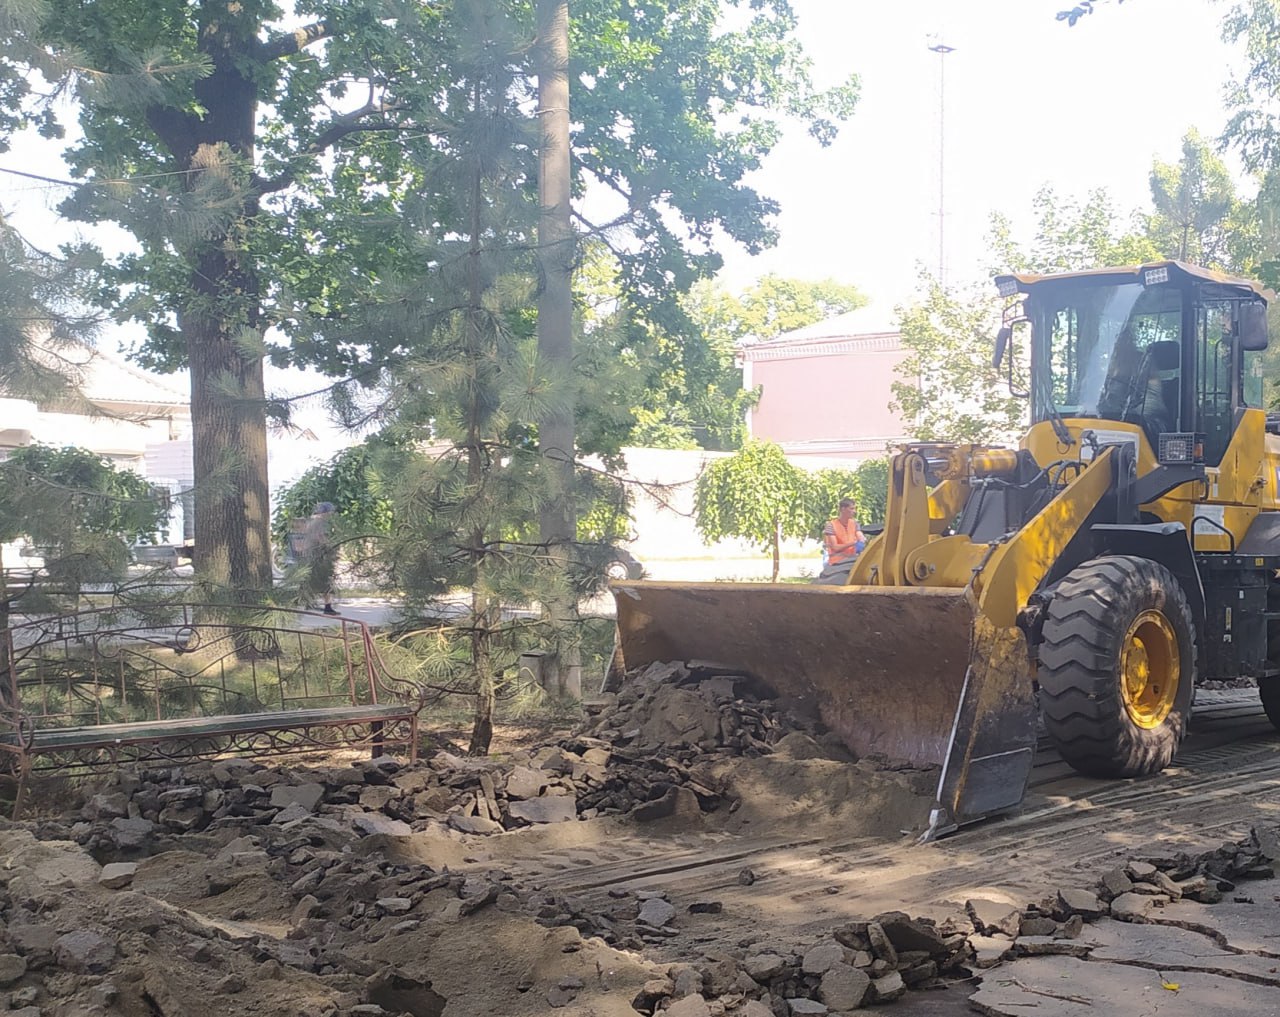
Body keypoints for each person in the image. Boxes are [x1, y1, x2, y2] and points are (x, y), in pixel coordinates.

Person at [815, 497, 866, 585]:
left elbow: (860, 537)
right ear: (843, 509)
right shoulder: (831, 525)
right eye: (852, 508)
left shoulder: (854, 523)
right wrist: (853, 543)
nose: (854, 511)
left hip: (851, 562)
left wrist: (862, 541)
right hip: (836, 565)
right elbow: (835, 547)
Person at [301, 501, 340, 615]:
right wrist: (330, 546)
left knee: (311, 579)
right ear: (325, 512)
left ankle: (308, 602)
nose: (331, 514)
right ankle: (327, 607)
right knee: (326, 580)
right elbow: (320, 537)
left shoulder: (310, 521)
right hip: (319, 555)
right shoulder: (320, 522)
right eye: (330, 512)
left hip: (309, 554)